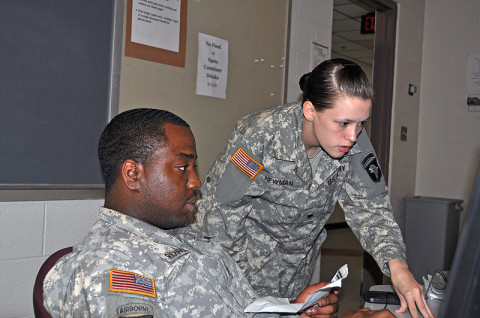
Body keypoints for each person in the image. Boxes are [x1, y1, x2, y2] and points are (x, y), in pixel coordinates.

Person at [44, 108, 356, 317]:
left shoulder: (185, 237)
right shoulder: (111, 270)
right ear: (133, 174)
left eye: (194, 167)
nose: (196, 181)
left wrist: (294, 309)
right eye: (182, 168)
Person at [193, 58, 434, 318]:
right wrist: (238, 291)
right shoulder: (261, 136)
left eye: (361, 123)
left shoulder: (353, 144)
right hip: (241, 268)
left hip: (296, 272)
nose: (353, 136)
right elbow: (220, 216)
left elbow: (372, 210)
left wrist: (398, 267)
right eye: (343, 123)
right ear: (310, 111)